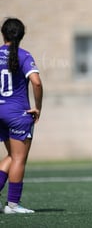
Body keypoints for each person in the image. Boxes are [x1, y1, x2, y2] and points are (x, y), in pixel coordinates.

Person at [0, 18, 43, 214]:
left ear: (3, 34)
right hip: (17, 114)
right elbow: (36, 82)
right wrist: (38, 107)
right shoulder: (23, 55)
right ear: (22, 35)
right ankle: (13, 205)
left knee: (11, 156)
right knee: (19, 158)